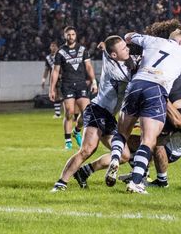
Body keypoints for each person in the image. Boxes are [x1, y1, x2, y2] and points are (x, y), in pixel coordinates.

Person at [106, 27, 181, 194]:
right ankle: (135, 182)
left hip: (136, 84)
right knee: (148, 140)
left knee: (122, 133)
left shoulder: (153, 40)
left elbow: (128, 36)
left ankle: (115, 158)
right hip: (157, 88)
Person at [50, 35, 133, 192]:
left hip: (108, 116)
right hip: (98, 110)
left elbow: (109, 49)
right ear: (114, 55)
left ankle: (84, 172)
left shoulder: (117, 59)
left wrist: (104, 45)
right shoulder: (116, 69)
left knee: (124, 155)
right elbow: (133, 77)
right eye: (123, 48)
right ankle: (61, 183)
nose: (127, 49)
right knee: (88, 149)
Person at [49, 26, 98, 150]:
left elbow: (88, 67)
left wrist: (94, 81)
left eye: (73, 34)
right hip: (67, 85)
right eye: (68, 34)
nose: (71, 37)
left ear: (76, 36)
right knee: (69, 113)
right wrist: (52, 89)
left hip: (81, 84)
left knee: (87, 113)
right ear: (65, 36)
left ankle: (77, 131)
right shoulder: (60, 52)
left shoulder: (82, 50)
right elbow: (55, 72)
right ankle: (68, 141)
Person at [42, 41, 62, 118]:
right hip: (53, 78)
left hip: (63, 78)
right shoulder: (48, 58)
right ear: (50, 47)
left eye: (54, 46)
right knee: (55, 95)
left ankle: (72, 113)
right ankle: (57, 114)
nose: (53, 48)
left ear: (57, 47)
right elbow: (47, 69)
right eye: (52, 46)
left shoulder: (61, 56)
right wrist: (43, 79)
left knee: (65, 95)